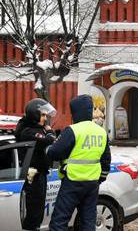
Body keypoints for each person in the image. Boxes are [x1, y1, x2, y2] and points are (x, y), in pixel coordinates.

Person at [47, 95, 110, 231]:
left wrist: (48, 149)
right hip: (92, 182)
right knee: (88, 221)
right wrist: (101, 178)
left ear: (75, 112)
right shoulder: (101, 132)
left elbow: (55, 153)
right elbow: (106, 160)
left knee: (59, 221)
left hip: (73, 181)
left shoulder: (73, 130)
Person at [15, 98, 57, 231]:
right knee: (34, 212)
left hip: (39, 175)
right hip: (33, 176)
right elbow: (49, 140)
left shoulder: (36, 128)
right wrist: (50, 132)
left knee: (38, 211)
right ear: (34, 114)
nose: (46, 118)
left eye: (46, 115)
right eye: (43, 115)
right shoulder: (28, 131)